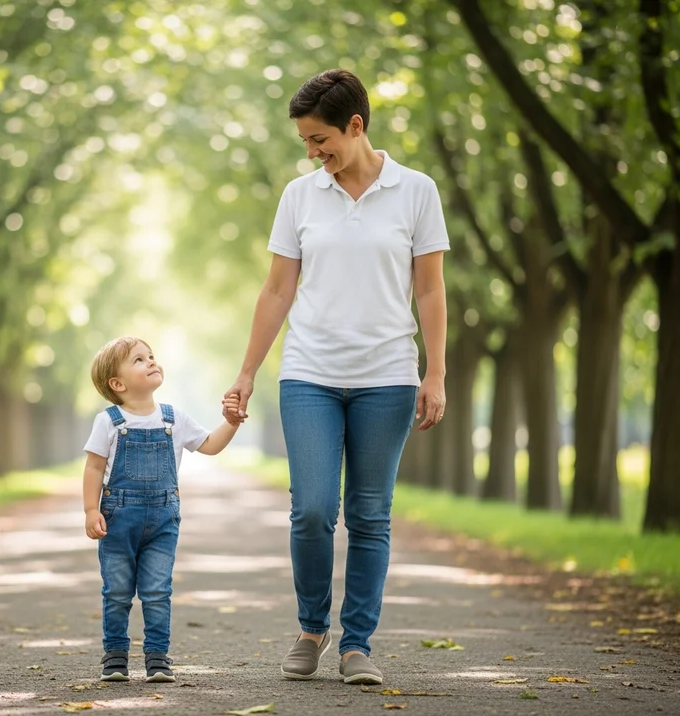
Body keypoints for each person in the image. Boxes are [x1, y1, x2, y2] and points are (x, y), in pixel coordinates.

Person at [223, 69, 449, 685]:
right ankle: (310, 629)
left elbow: (429, 289)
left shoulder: (416, 191)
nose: (313, 153)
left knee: (371, 514)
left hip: (388, 376)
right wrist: (246, 372)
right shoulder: (301, 196)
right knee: (314, 509)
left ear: (356, 126)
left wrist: (436, 371)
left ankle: (358, 646)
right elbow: (276, 290)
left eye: (320, 139)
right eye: (304, 142)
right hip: (310, 374)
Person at [83, 336, 240, 683]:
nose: (152, 362)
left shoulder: (173, 418)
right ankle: (115, 657)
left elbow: (210, 445)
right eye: (139, 360)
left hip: (163, 520)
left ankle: (157, 658)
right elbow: (94, 467)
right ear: (118, 383)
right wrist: (91, 509)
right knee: (118, 590)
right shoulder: (109, 421)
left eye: (151, 356)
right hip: (117, 519)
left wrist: (230, 421)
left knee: (157, 590)